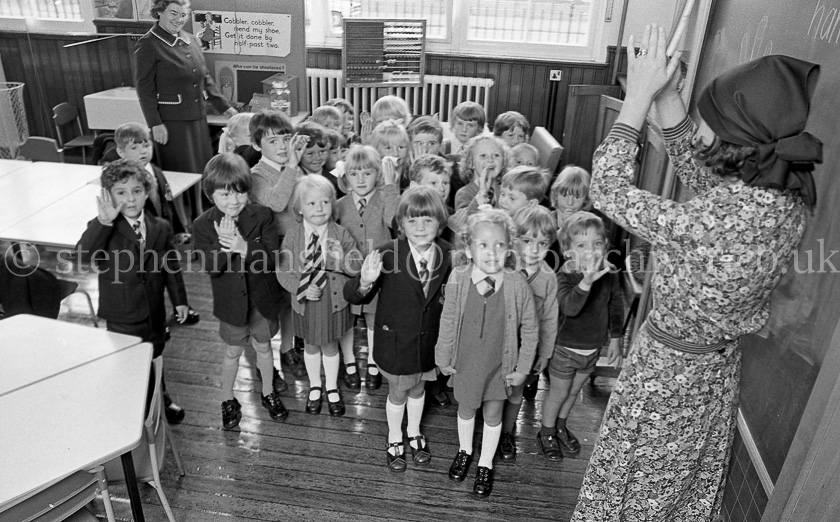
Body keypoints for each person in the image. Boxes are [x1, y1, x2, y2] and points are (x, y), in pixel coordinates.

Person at [573, 25, 821, 520]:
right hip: (712, 374)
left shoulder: (710, 222)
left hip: (667, 380)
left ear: (735, 137)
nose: (699, 124)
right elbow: (701, 172)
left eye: (710, 118)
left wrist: (637, 99)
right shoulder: (779, 197)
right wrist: (669, 97)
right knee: (674, 491)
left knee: (636, 490)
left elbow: (607, 190)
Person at [345, 186, 453, 471]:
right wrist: (365, 281)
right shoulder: (386, 253)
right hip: (395, 342)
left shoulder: (448, 254)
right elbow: (353, 294)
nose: (420, 227)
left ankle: (414, 431)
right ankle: (395, 436)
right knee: (398, 392)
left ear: (440, 222)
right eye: (412, 220)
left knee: (419, 389)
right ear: (401, 224)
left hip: (429, 342)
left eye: (428, 220)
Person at [435, 209, 539, 497]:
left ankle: (485, 463)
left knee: (493, 414)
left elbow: (531, 329)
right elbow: (447, 319)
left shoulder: (517, 284)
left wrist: (523, 368)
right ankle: (465, 450)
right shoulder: (458, 278)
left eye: (499, 244)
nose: (492, 252)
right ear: (469, 249)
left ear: (509, 248)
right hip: (466, 363)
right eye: (483, 245)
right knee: (466, 409)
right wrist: (443, 356)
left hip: (499, 366)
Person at [76, 159, 189, 423]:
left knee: (155, 356)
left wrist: (180, 301)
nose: (130, 199)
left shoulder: (160, 226)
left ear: (146, 192)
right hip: (121, 313)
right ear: (108, 195)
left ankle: (161, 399)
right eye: (121, 192)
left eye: (136, 191)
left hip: (154, 311)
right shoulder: (104, 226)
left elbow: (170, 266)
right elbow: (82, 256)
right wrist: (103, 222)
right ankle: (132, 407)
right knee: (128, 361)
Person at [192, 154, 289, 429]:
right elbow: (211, 268)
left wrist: (243, 247)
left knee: (264, 348)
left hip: (262, 301)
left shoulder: (263, 215)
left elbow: (271, 259)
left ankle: (268, 392)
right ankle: (227, 399)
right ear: (210, 195)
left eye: (239, 192)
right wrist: (225, 245)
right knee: (232, 353)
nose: (233, 201)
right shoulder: (202, 225)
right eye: (224, 194)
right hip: (232, 305)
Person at [538, 211, 622, 462]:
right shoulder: (563, 276)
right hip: (565, 348)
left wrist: (616, 338)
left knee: (574, 391)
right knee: (559, 393)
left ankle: (560, 426)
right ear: (567, 251)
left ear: (605, 246)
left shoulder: (610, 273)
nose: (591, 251)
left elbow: (615, 304)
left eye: (597, 243)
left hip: (593, 347)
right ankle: (546, 431)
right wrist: (586, 281)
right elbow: (570, 308)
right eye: (582, 245)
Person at [277, 175, 363, 417]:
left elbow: (356, 268)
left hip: (332, 302)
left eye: (325, 202)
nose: (319, 208)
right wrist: (300, 288)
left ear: (332, 205)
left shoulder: (341, 233)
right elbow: (282, 270)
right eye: (312, 203)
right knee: (311, 346)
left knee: (330, 346)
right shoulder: (293, 236)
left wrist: (342, 259)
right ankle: (315, 386)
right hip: (306, 301)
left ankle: (332, 387)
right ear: (299, 208)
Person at [113, 122, 201, 330]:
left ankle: (181, 307)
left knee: (173, 273)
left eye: (146, 145)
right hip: (140, 244)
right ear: (121, 152)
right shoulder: (121, 181)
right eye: (134, 147)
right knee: (150, 283)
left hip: (163, 236)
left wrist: (177, 229)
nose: (143, 151)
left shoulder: (157, 172)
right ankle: (155, 321)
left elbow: (168, 202)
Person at [134, 0, 236, 174]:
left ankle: (202, 193)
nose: (179, 19)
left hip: (197, 118)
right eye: (173, 13)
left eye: (183, 15)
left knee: (203, 167)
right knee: (181, 171)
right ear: (159, 12)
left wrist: (225, 107)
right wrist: (155, 123)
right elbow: (144, 89)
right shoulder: (148, 44)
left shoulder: (191, 39)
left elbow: (205, 77)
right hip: (171, 123)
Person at [248, 109, 311, 386]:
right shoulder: (256, 175)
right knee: (266, 312)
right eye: (273, 141)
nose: (283, 146)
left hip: (298, 247)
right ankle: (263, 363)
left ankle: (287, 351)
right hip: (272, 253)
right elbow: (276, 202)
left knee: (291, 303)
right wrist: (293, 168)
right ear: (256, 145)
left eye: (286, 139)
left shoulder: (294, 167)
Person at [335, 145, 400, 391]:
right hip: (348, 273)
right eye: (354, 174)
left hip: (380, 273)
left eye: (367, 173)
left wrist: (391, 185)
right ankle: (350, 362)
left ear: (377, 175)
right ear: (346, 177)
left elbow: (394, 221)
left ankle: (373, 362)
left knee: (374, 319)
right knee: (346, 320)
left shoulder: (385, 199)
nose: (361, 179)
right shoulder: (340, 205)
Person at [496, 204, 558, 463]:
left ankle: (507, 432)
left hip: (526, 348)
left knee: (515, 391)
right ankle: (490, 427)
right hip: (499, 343)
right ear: (514, 239)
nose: (533, 249)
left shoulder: (548, 277)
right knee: (494, 388)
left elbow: (550, 317)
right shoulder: (502, 267)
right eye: (527, 241)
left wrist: (545, 352)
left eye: (542, 243)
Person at [370, 120, 411, 192]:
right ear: (376, 150)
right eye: (388, 148)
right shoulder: (372, 177)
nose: (396, 154)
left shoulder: (410, 172)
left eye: (401, 147)